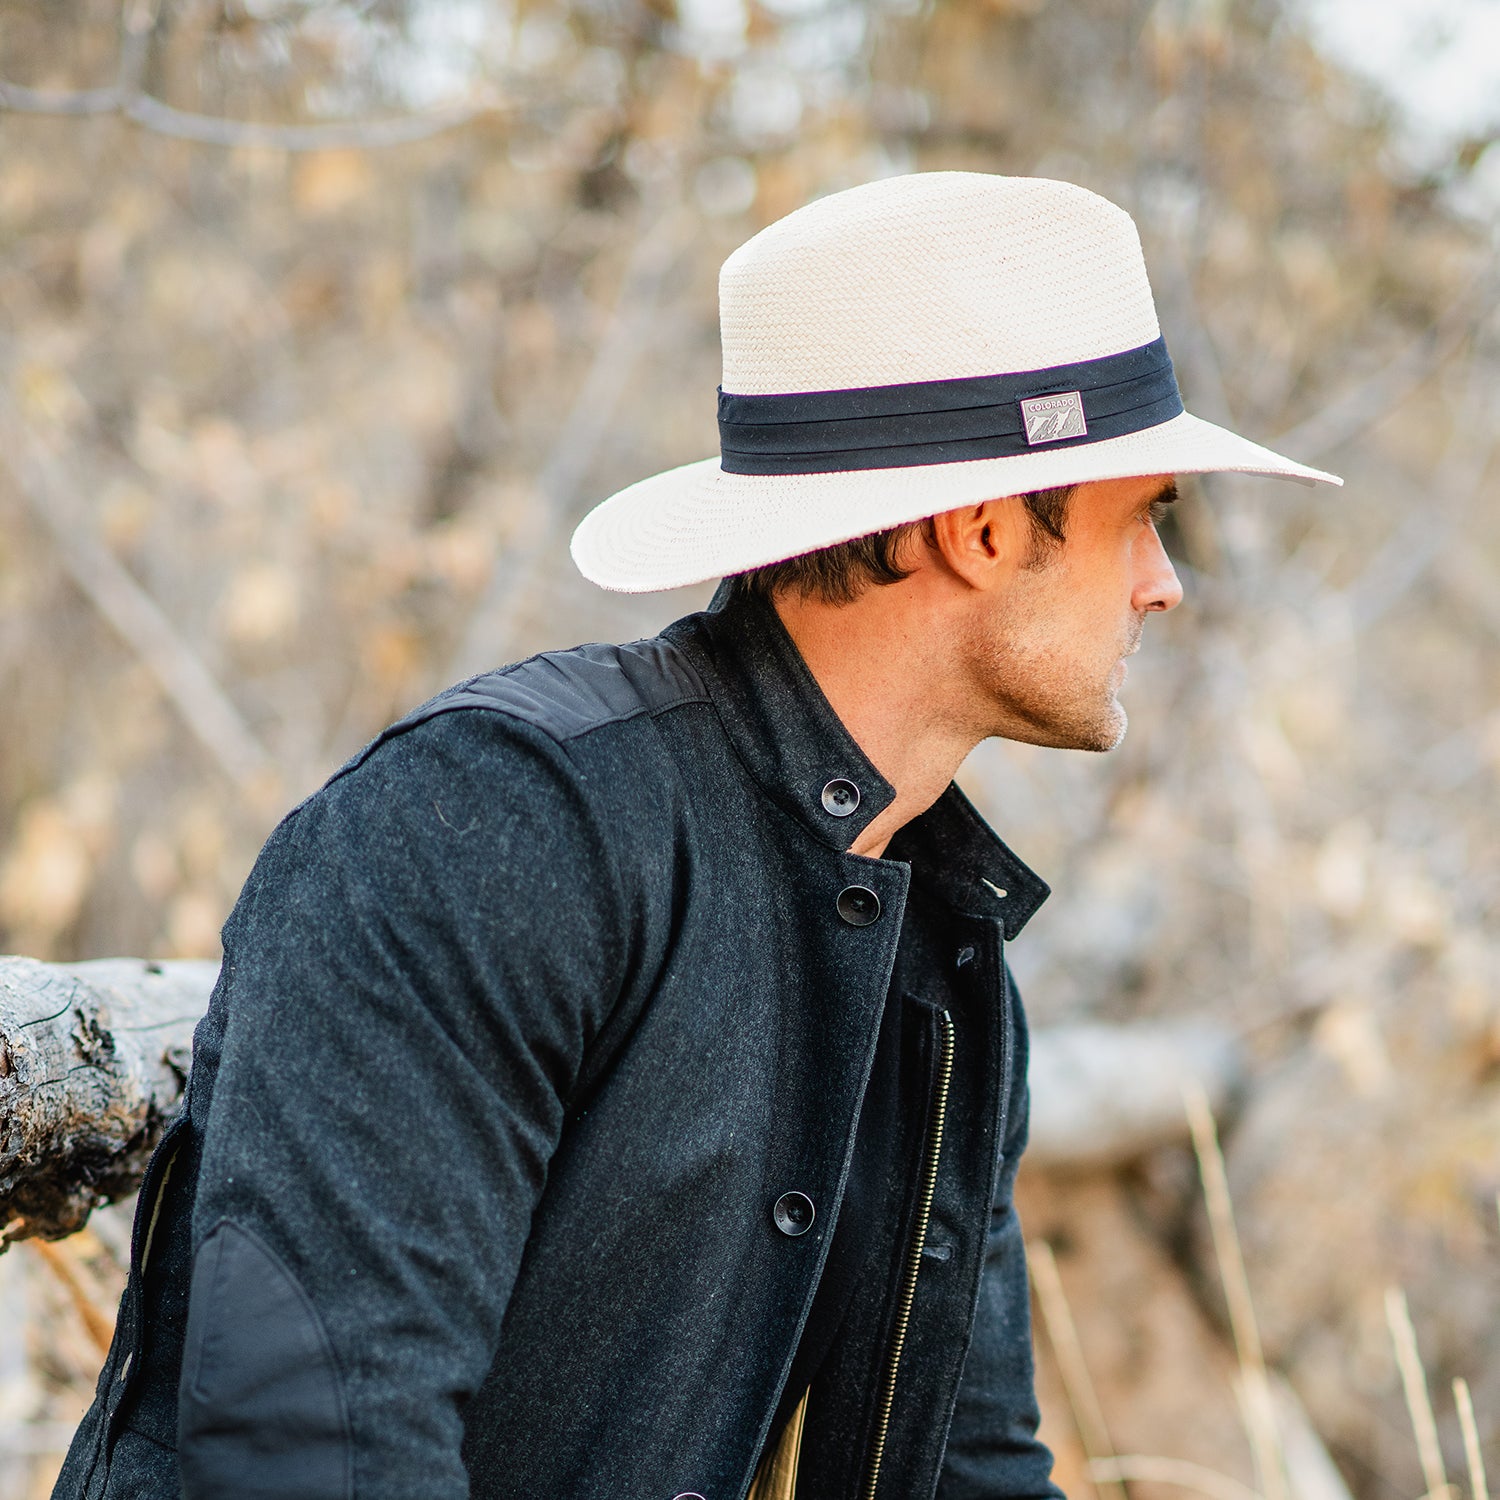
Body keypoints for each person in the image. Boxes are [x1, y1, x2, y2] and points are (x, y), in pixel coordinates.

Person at [55, 172, 1340, 1500]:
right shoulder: (494, 822)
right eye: (1141, 520)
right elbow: (312, 1459)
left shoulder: (945, 966)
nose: (1163, 585)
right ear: (982, 528)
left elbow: (965, 1471)